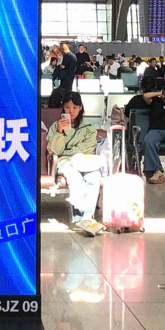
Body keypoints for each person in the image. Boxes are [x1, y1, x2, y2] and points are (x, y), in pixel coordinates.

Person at [47, 93, 106, 236]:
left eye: (75, 107)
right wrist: (59, 132)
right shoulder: (56, 126)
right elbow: (54, 150)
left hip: (84, 161)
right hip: (65, 162)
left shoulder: (88, 127)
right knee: (74, 176)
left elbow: (88, 148)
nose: (71, 111)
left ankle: (86, 217)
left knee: (94, 176)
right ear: (63, 108)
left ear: (80, 108)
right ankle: (81, 216)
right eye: (67, 107)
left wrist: (68, 152)